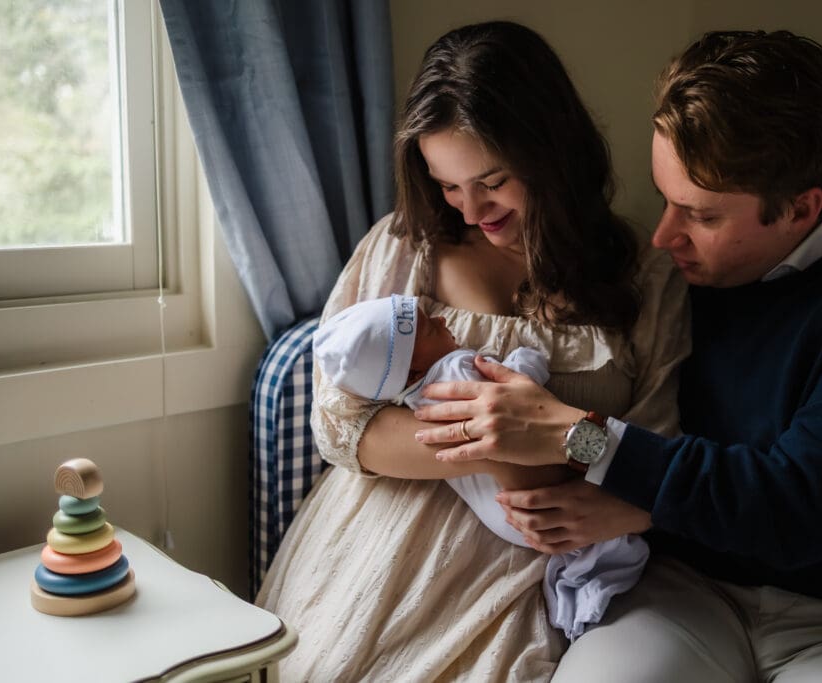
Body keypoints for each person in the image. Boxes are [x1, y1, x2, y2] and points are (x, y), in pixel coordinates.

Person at [416, 30, 822, 681]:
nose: (663, 235)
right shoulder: (673, 281)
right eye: (664, 198)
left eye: (700, 214)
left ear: (801, 208)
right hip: (686, 592)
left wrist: (572, 436)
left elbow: (794, 507)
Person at [255, 21, 690, 682]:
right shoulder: (405, 248)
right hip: (385, 551)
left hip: (550, 561)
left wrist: (590, 472)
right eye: (447, 184)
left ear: (551, 151)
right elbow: (341, 426)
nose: (469, 208)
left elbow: (653, 458)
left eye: (491, 180)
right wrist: (498, 442)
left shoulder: (643, 275)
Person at [312, 293, 650, 640]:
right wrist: (527, 361)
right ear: (412, 369)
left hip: (500, 514)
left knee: (572, 541)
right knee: (601, 540)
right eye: (429, 329)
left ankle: (579, 590)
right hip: (526, 496)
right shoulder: (455, 369)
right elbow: (511, 401)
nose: (443, 321)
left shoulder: (416, 401)